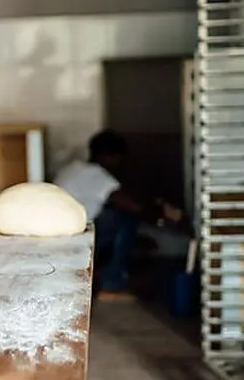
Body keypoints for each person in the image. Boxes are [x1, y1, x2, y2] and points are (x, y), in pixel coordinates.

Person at [55, 129, 181, 301]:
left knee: (115, 216)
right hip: (77, 238)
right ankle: (112, 283)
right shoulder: (97, 176)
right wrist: (165, 214)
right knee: (124, 219)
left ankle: (105, 276)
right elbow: (132, 206)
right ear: (109, 156)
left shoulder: (73, 168)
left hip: (59, 236)